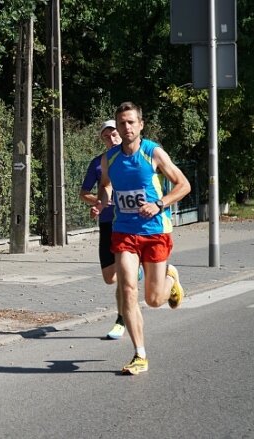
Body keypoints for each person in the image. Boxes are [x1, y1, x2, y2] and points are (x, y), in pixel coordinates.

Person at [98, 101, 191, 375]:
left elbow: (184, 185)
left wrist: (160, 204)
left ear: (140, 125)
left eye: (130, 122)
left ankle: (170, 279)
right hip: (124, 231)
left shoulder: (153, 153)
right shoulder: (110, 158)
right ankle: (140, 354)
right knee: (127, 288)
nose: (126, 127)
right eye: (121, 123)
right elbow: (105, 185)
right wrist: (103, 201)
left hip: (155, 231)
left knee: (152, 299)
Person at [79, 120, 140, 340]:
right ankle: (138, 271)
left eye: (114, 134)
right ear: (102, 139)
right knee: (110, 278)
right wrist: (99, 203)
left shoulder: (133, 158)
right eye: (106, 136)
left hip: (128, 223)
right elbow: (84, 192)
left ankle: (121, 320)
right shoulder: (99, 163)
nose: (111, 138)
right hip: (107, 222)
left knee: (124, 276)